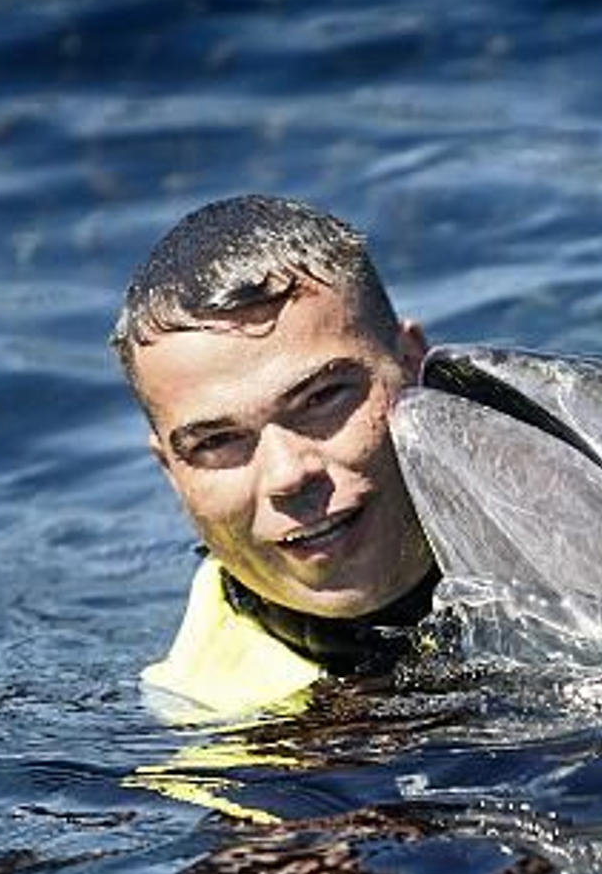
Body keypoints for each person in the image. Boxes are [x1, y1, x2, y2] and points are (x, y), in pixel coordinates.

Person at [111, 194, 437, 717]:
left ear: (414, 364)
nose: (289, 475)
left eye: (323, 399)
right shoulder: (219, 726)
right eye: (215, 442)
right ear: (171, 471)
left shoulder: (588, 491)